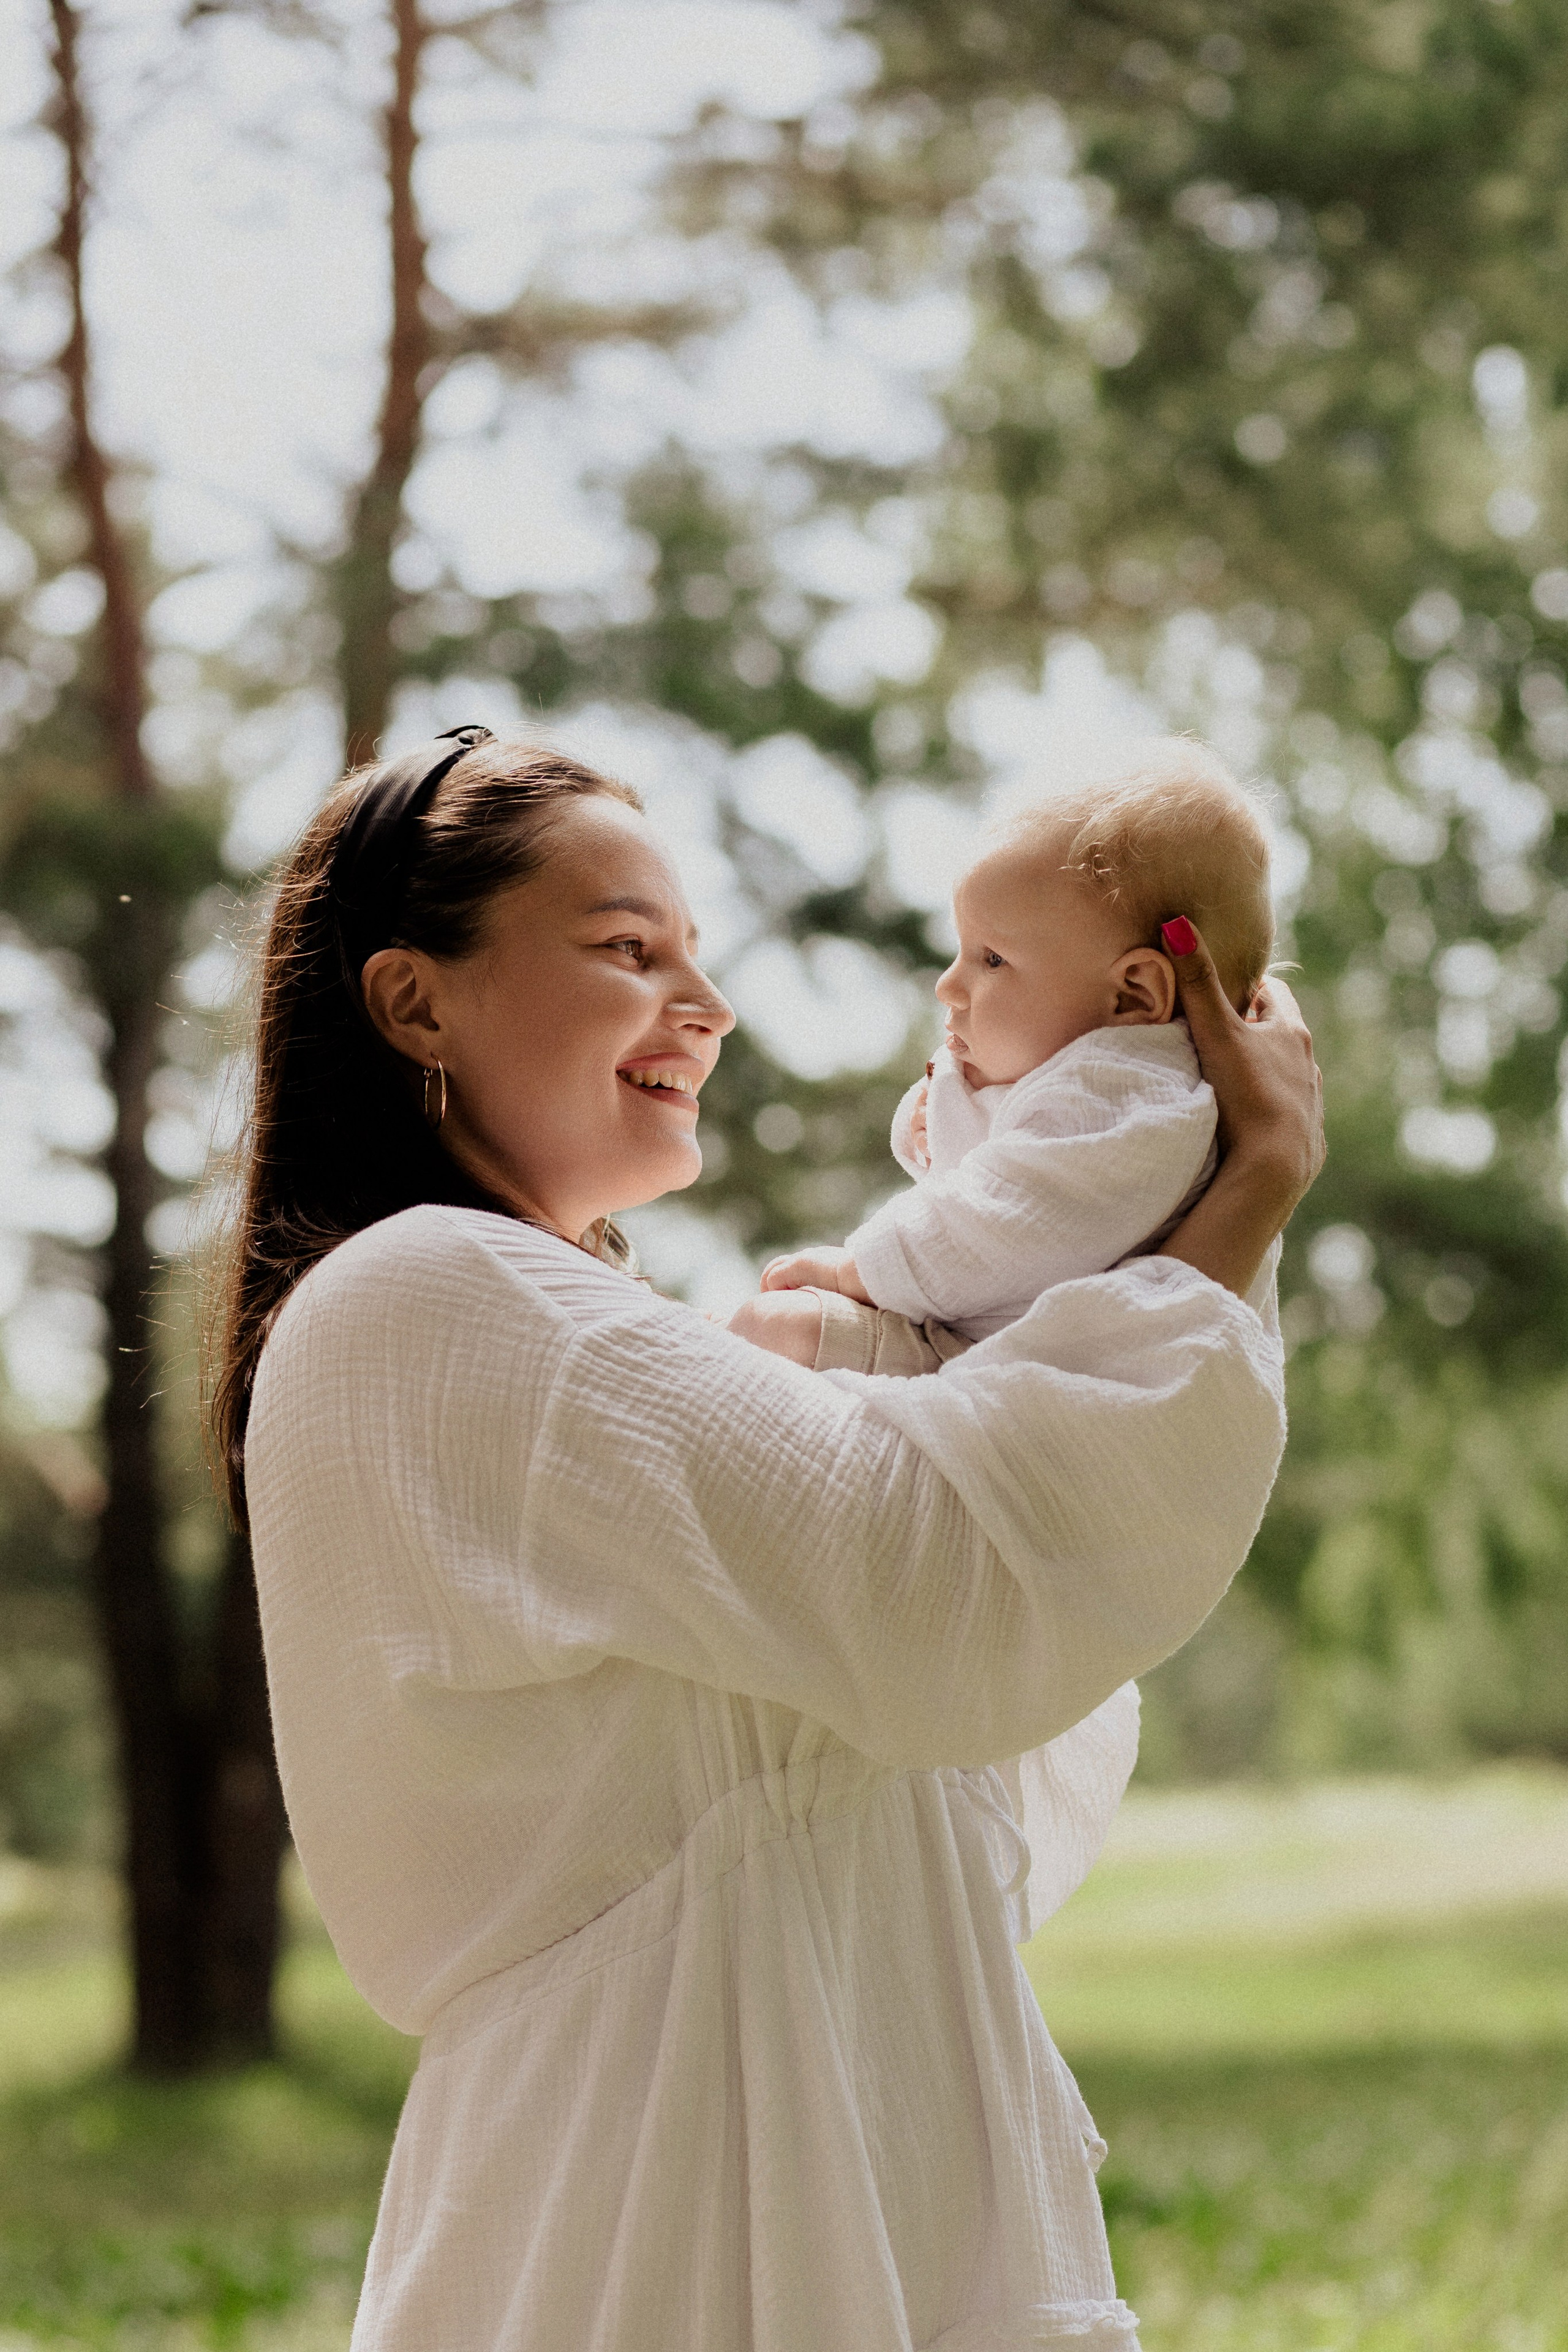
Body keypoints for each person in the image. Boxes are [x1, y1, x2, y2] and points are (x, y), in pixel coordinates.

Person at [216, 726, 1322, 2352]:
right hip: (671, 2206)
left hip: (812, 2151)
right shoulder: (428, 1302)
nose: (707, 1007)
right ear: (415, 1000)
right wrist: (1246, 1198)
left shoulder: (578, 1335)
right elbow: (942, 1593)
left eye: (698, 956)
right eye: (626, 949)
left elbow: (956, 1716)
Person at [732, 741, 1279, 1378]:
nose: (948, 985)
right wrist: (942, 1107)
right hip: (989, 1343)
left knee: (767, 1330)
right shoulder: (1100, 1083)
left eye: (991, 960)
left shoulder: (1134, 1093)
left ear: (1133, 994)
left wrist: (856, 1270)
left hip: (1021, 1369)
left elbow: (1005, 1224)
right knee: (764, 1332)